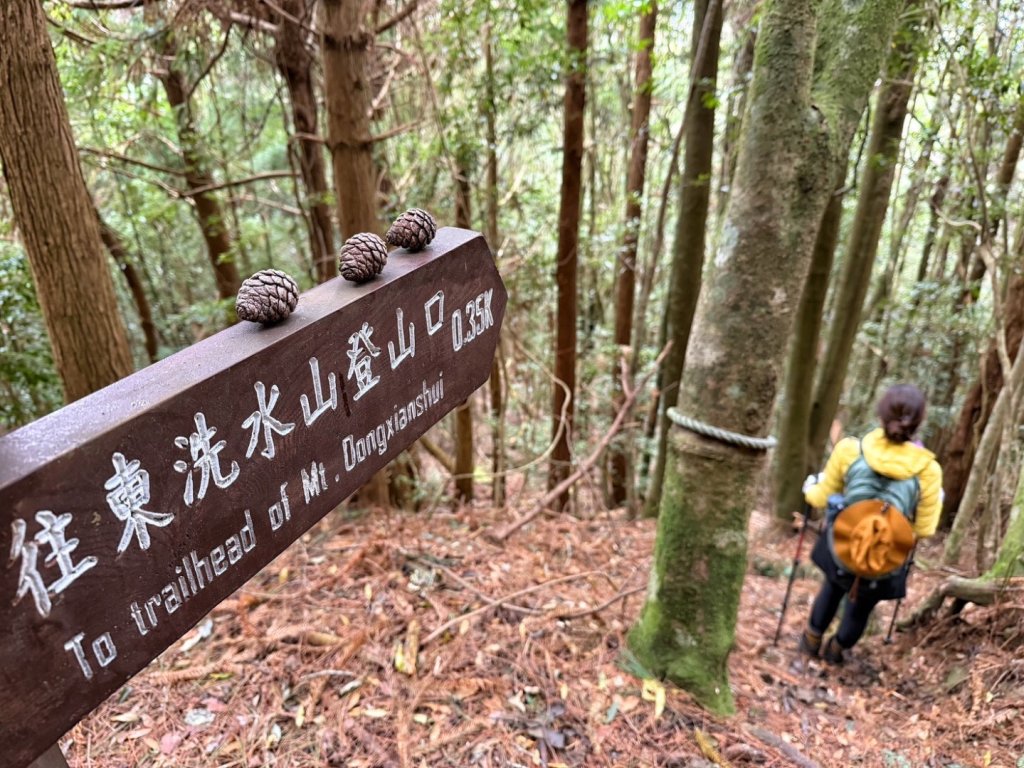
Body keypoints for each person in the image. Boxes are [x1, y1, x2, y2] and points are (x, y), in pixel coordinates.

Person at [798, 384, 943, 664]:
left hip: (842, 543)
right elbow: (924, 529)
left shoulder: (850, 450)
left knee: (832, 587)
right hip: (885, 556)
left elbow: (820, 497)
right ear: (918, 423)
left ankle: (811, 640)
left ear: (881, 414)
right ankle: (837, 650)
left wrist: (809, 489)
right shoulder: (928, 470)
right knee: (862, 606)